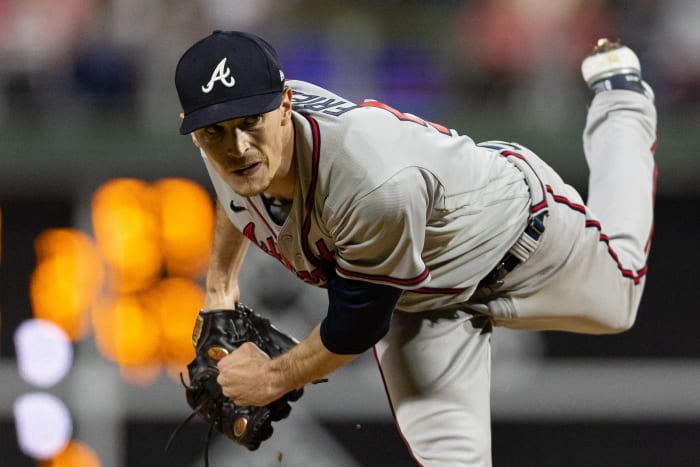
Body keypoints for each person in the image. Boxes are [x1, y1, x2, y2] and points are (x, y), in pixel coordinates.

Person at [174, 31, 657, 466]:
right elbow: (233, 192)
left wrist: (273, 378)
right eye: (214, 129)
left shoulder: (372, 184)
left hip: (520, 240)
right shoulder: (226, 142)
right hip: (417, 302)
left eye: (250, 121)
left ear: (285, 103)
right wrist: (220, 288)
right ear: (193, 127)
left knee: (621, 301)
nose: (236, 145)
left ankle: (622, 104)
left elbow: (355, 328)